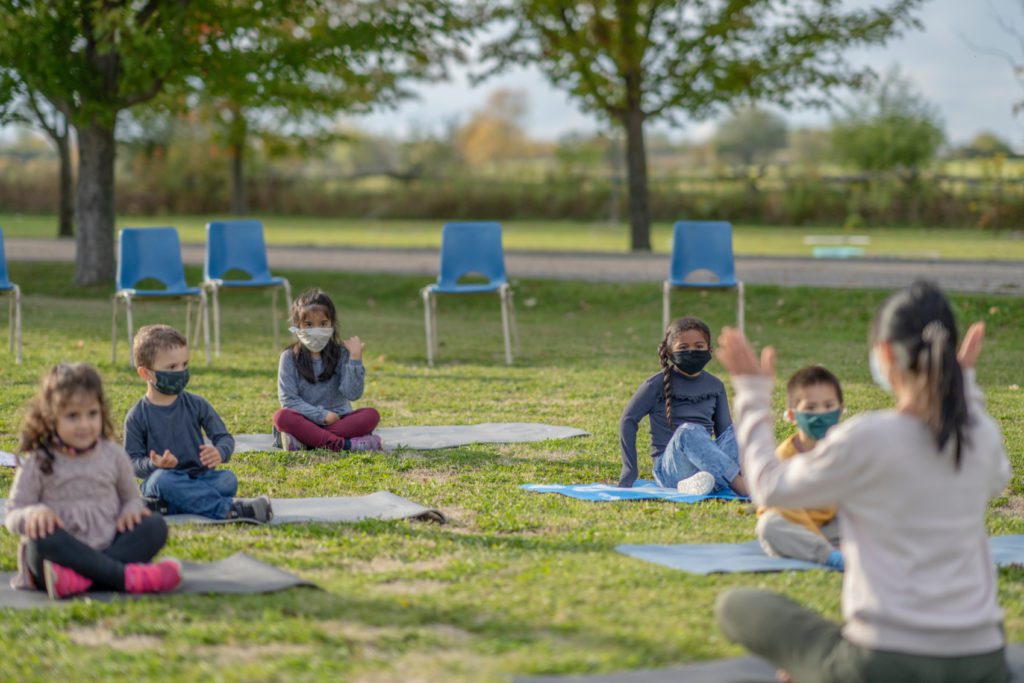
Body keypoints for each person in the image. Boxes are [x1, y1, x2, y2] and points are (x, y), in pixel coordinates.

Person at [716, 281, 1010, 683]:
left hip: (884, 662)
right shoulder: (982, 436)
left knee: (736, 606)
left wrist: (751, 394)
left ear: (885, 354)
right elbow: (995, 477)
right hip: (984, 661)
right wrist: (968, 387)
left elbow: (768, 486)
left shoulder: (867, 437)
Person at [5, 363, 181, 599]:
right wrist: (32, 514)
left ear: (102, 412)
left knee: (154, 526)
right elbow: (12, 514)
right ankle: (126, 578)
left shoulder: (114, 455)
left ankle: (79, 580)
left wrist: (131, 509)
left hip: (109, 544)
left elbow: (131, 499)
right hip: (57, 557)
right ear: (51, 418)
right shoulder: (39, 461)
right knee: (40, 539)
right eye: (72, 416)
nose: (84, 425)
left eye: (92, 414)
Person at [124, 324, 272, 522]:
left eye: (185, 364)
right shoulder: (137, 415)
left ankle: (166, 505)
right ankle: (231, 511)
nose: (181, 371)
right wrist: (154, 463)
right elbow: (131, 463)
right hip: (160, 480)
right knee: (163, 480)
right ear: (146, 374)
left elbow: (224, 438)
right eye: (171, 367)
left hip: (200, 477)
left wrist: (220, 452)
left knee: (228, 480)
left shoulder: (197, 404)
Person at [618, 316, 749, 496]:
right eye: (683, 348)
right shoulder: (654, 385)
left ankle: (706, 482)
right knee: (688, 431)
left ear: (709, 350)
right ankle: (740, 486)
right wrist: (629, 471)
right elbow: (628, 420)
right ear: (670, 353)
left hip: (707, 465)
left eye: (699, 346)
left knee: (744, 427)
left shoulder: (716, 386)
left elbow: (725, 433)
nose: (692, 351)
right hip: (669, 471)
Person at [756, 365, 845, 570]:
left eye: (828, 405)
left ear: (840, 410)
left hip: (834, 528)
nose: (820, 414)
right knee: (769, 526)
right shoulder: (783, 458)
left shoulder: (843, 449)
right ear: (792, 415)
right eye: (811, 408)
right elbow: (771, 507)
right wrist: (814, 537)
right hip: (797, 530)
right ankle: (832, 557)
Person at [272, 288, 382, 452]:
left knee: (371, 415)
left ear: (332, 325)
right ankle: (345, 445)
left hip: (340, 420)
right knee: (281, 417)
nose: (316, 330)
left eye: (323, 324)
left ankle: (306, 440)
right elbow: (289, 400)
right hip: (304, 419)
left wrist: (355, 359)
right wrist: (322, 416)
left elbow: (352, 394)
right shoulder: (289, 357)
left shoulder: (342, 353)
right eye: (308, 324)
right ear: (297, 326)